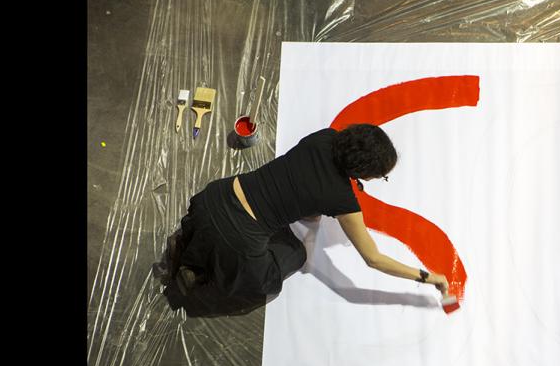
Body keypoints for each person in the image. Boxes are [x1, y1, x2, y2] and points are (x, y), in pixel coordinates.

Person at [153, 124, 451, 317]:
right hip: (237, 236)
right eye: (380, 175)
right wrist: (428, 276)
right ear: (364, 171)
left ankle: (188, 245)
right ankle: (201, 274)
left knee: (250, 229)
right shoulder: (342, 200)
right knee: (293, 255)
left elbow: (302, 189)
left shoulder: (324, 137)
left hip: (214, 197)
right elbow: (373, 259)